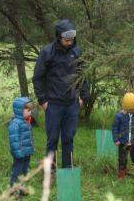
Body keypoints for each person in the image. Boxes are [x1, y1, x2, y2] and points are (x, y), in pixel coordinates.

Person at [32, 19, 88, 169]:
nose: (69, 42)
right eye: (66, 40)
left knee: (68, 139)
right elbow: (37, 78)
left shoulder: (77, 52)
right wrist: (43, 101)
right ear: (59, 37)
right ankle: (50, 171)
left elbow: (82, 74)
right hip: (53, 105)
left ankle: (67, 171)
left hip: (72, 104)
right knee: (52, 140)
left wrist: (83, 96)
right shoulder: (47, 52)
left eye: (71, 40)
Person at [112, 92, 134, 178]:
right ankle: (121, 176)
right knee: (122, 160)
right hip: (123, 142)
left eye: (133, 109)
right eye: (130, 110)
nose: (132, 111)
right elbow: (114, 128)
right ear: (125, 108)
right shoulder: (119, 116)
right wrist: (116, 139)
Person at [8, 97, 33, 188]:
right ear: (19, 110)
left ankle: (21, 188)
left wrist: (30, 149)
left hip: (26, 152)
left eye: (31, 110)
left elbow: (29, 138)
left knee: (24, 171)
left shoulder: (26, 122)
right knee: (17, 171)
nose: (30, 112)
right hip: (19, 153)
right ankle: (14, 190)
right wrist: (18, 152)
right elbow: (14, 140)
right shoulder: (15, 124)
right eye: (28, 110)